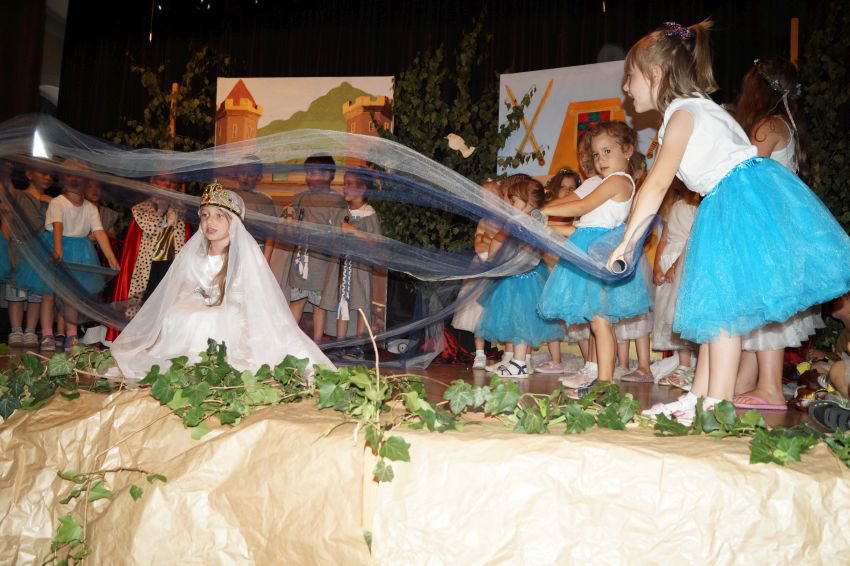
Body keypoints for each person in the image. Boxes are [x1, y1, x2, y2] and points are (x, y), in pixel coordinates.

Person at [611, 20, 850, 423]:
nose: (625, 87)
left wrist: (627, 241)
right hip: (737, 200)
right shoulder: (701, 107)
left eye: (629, 76)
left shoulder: (682, 114)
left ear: (654, 74)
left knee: (722, 313)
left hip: (734, 202)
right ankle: (700, 394)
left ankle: (716, 402)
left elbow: (656, 185)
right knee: (715, 307)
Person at [111, 182, 335, 379]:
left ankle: (220, 361)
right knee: (176, 312)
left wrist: (222, 308)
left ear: (233, 221)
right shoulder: (195, 254)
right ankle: (181, 358)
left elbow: (249, 298)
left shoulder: (244, 256)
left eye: (219, 215)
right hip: (203, 303)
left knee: (217, 317)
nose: (210, 221)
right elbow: (185, 288)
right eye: (205, 215)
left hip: (234, 308)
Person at [733, 57, 823, 411]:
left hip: (766, 229)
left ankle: (770, 388)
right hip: (780, 228)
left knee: (767, 306)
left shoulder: (766, 127)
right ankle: (749, 380)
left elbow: (745, 178)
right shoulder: (786, 126)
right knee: (759, 308)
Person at [540, 121, 651, 393]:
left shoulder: (618, 180)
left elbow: (581, 206)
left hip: (598, 255)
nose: (600, 160)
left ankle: (605, 382)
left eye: (607, 151)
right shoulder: (604, 182)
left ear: (627, 150)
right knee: (598, 323)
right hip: (587, 251)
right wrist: (544, 225)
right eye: (596, 154)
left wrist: (542, 212)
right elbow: (581, 228)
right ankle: (601, 379)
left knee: (601, 323)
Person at [14, 161, 120, 350]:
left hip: (79, 252)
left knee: (71, 297)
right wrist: (57, 248)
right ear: (63, 179)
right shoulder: (58, 202)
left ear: (86, 181)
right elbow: (58, 225)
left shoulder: (90, 208)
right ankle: (47, 334)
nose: (74, 179)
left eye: (79, 176)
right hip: (55, 248)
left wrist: (111, 257)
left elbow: (99, 231)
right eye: (69, 175)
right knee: (48, 294)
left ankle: (71, 335)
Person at [477, 176, 563, 377]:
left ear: (526, 202)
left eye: (513, 200)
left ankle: (519, 363)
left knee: (520, 322)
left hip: (522, 280)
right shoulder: (532, 220)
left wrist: (494, 255)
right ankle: (519, 360)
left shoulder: (524, 221)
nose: (509, 204)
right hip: (522, 277)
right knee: (519, 321)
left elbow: (502, 244)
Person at [107, 174, 189, 341]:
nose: (168, 184)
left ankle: (163, 339)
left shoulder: (180, 211)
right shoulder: (141, 210)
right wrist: (162, 212)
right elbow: (149, 230)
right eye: (163, 179)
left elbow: (183, 241)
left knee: (167, 303)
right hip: (147, 268)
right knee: (144, 303)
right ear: (152, 181)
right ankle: (139, 338)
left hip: (170, 266)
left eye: (172, 181)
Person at [321, 170, 382, 356]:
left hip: (359, 267)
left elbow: (375, 241)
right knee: (343, 301)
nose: (344, 188)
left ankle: (358, 343)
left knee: (360, 301)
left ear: (362, 189)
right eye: (344, 183)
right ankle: (339, 343)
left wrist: (353, 231)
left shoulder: (368, 213)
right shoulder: (342, 212)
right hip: (341, 265)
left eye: (349, 184)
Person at [288, 155, 348, 343]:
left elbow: (340, 229)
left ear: (328, 174)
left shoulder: (337, 201)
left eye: (315, 173)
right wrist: (290, 218)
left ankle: (317, 343)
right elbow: (292, 222)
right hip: (301, 262)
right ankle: (288, 341)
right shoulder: (300, 198)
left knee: (319, 306)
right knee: (296, 302)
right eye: (308, 173)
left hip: (322, 264)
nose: (311, 177)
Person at [651, 178, 699, 388]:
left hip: (685, 259)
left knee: (681, 312)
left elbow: (692, 240)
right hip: (668, 259)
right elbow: (664, 239)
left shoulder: (697, 207)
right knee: (669, 315)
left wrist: (675, 266)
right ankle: (683, 364)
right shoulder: (673, 206)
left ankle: (692, 366)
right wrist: (657, 267)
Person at [452, 180, 504, 370]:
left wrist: (489, 241)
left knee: (501, 309)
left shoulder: (507, 221)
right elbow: (478, 245)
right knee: (476, 310)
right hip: (480, 268)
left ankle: (510, 353)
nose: (486, 200)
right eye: (483, 197)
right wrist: (489, 242)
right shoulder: (483, 221)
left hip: (499, 268)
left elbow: (504, 246)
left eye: (490, 196)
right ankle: (479, 352)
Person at [1, 167, 52, 348]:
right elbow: (7, 215)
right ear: (29, 174)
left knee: (36, 295)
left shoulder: (52, 202)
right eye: (43, 172)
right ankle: (16, 330)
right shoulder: (18, 196)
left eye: (50, 174)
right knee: (16, 292)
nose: (48, 177)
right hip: (19, 250)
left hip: (40, 253)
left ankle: (30, 330)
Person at [229, 156, 279, 263]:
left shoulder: (264, 200)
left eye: (251, 175)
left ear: (259, 178)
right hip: (231, 249)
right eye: (242, 173)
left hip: (255, 252)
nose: (245, 178)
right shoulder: (230, 196)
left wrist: (265, 261)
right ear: (237, 174)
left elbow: (271, 234)